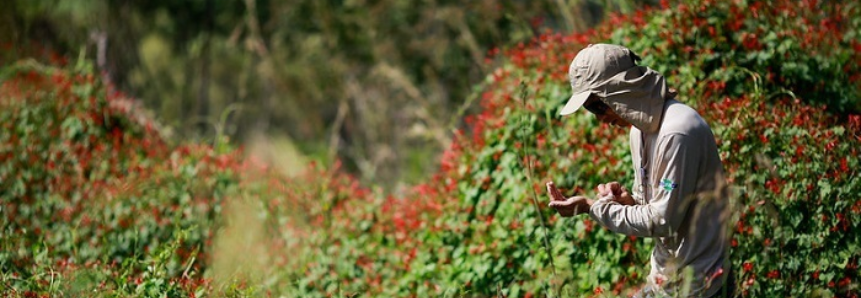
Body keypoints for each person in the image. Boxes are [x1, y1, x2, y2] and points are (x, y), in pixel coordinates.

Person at [545, 44, 732, 297]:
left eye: (598, 105)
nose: (599, 118)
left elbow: (663, 221)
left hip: (701, 286)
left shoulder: (677, 131)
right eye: (592, 110)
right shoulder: (639, 131)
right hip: (665, 281)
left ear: (620, 90)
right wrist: (627, 201)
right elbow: (654, 206)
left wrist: (592, 207)